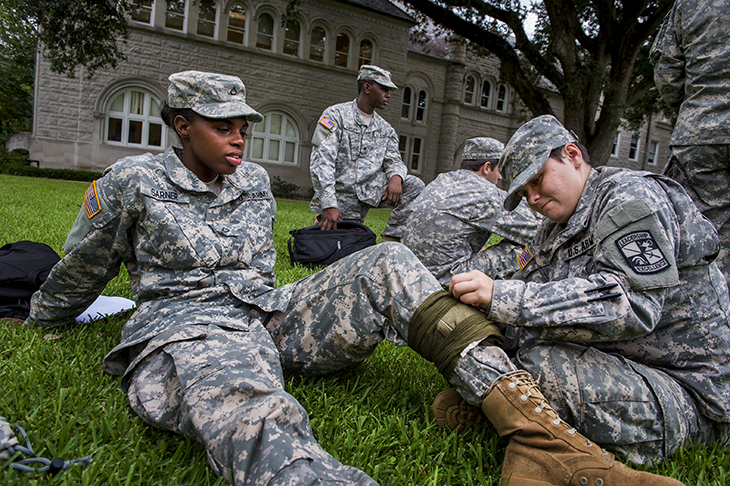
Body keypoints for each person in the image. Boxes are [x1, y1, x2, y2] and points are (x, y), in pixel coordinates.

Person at [25, 73, 679, 486]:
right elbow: (83, 264)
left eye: (243, 125)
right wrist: (45, 317)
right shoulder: (131, 183)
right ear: (181, 125)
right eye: (222, 126)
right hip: (187, 325)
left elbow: (261, 285)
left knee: (390, 263)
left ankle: (542, 438)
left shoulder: (251, 181)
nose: (239, 138)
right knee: (250, 398)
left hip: (264, 311)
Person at [433, 114, 729, 484]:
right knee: (493, 340)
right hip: (625, 361)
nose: (534, 199)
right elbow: (535, 294)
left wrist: (504, 297)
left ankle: (514, 419)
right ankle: (516, 416)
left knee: (541, 363)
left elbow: (630, 305)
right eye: (524, 194)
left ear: (572, 154)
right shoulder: (554, 229)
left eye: (537, 180)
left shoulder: (630, 197)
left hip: (690, 394)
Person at [650, 0, 730, 283]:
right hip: (700, 136)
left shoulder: (691, 3)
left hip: (702, 136)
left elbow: (668, 74)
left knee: (698, 242)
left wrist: (698, 111)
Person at [402, 137, 540, 286]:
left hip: (413, 272)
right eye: (500, 170)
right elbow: (537, 227)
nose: (500, 177)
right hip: (447, 280)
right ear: (487, 167)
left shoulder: (440, 181)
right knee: (534, 245)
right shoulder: (485, 192)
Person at [309, 65, 424, 242]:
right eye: (384, 89)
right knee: (333, 244)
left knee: (414, 185)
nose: (388, 95)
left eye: (389, 90)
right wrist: (329, 204)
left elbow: (394, 160)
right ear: (367, 88)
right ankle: (321, 221)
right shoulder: (335, 116)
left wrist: (396, 176)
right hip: (340, 194)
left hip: (369, 190)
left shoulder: (385, 129)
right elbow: (322, 162)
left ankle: (390, 241)